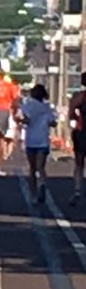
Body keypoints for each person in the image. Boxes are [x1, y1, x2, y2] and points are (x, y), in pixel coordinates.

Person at [19, 84, 57, 203]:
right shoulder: (47, 108)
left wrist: (22, 121)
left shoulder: (28, 106)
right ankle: (42, 184)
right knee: (41, 167)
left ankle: (33, 194)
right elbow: (53, 123)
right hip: (43, 140)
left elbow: (25, 119)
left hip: (31, 140)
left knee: (32, 168)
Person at [69, 74, 86, 204]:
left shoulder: (79, 97)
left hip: (82, 131)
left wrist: (76, 117)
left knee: (79, 163)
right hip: (81, 131)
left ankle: (77, 189)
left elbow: (71, 114)